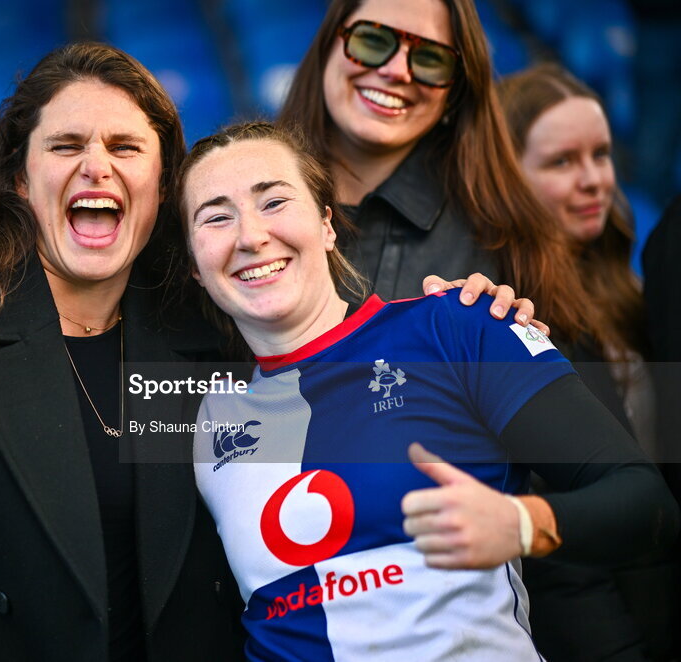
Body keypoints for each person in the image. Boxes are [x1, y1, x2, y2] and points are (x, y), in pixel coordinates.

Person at [0, 43, 526, 661]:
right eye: (66, 146)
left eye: (125, 148)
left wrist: (459, 322)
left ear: (163, 184)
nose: (96, 167)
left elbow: (333, 424)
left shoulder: (207, 328)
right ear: (17, 177)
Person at [174, 121, 678, 661]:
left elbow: (646, 505)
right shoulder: (205, 419)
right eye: (217, 217)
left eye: (273, 202)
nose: (250, 236)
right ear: (196, 268)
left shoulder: (459, 325)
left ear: (326, 224)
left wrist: (522, 524)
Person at [277, 0, 604, 351]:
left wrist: (509, 343)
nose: (397, 70)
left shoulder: (512, 238)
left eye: (431, 59)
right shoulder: (233, 210)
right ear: (328, 45)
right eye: (372, 41)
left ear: (455, 90)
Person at [499, 63, 678, 661]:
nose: (594, 179)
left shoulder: (630, 291)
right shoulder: (511, 322)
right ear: (506, 178)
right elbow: (564, 564)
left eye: (601, 155)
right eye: (562, 162)